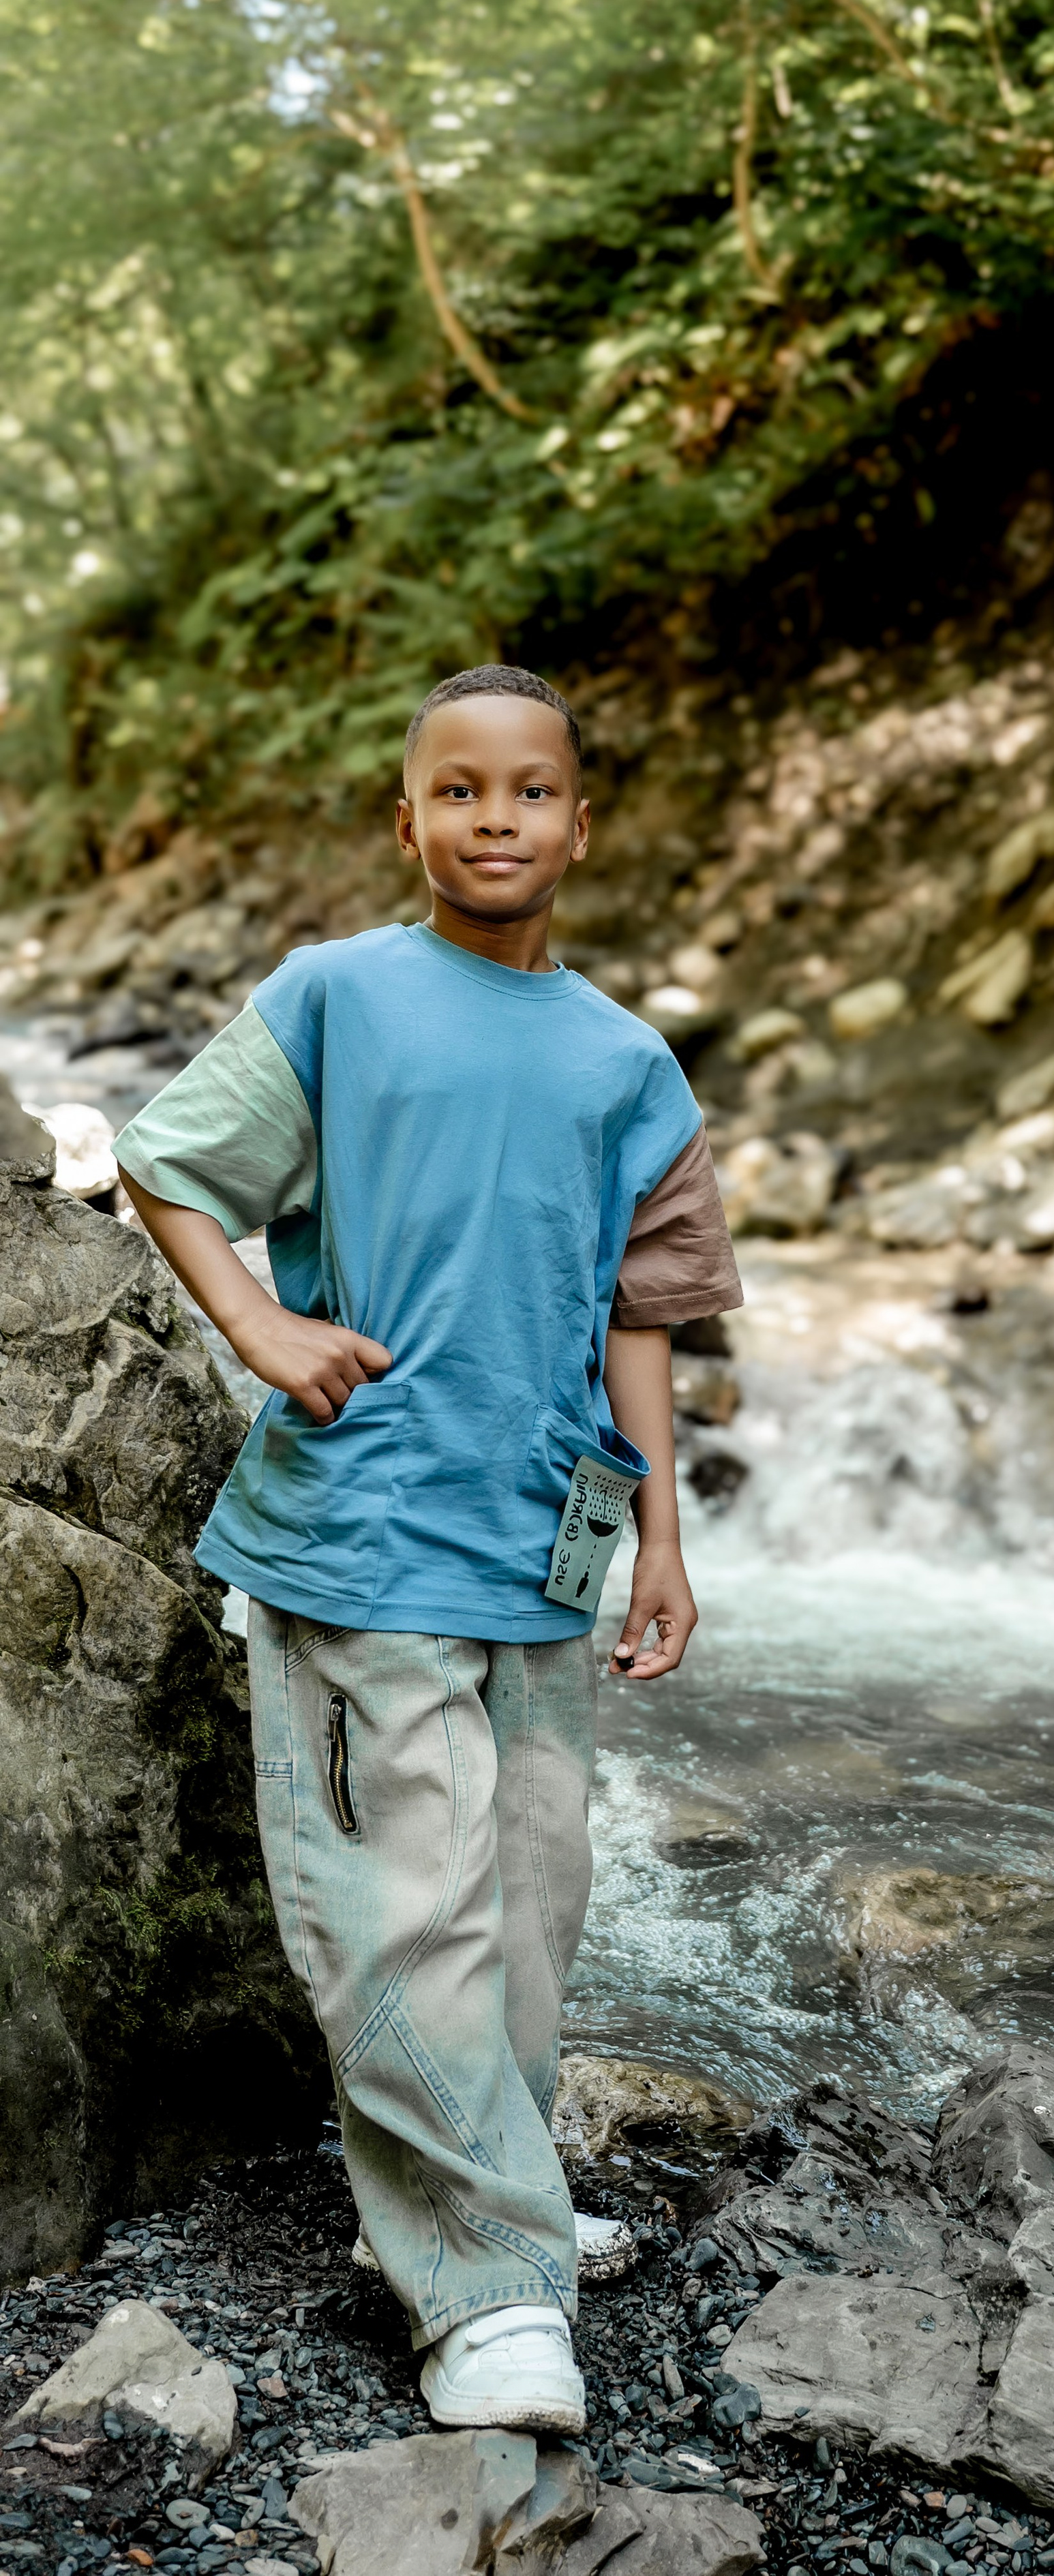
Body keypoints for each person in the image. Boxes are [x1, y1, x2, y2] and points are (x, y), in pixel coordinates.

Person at [113, 663, 741, 2436]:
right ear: (408, 821)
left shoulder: (629, 1062)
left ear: (579, 825)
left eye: (529, 791)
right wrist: (258, 1325)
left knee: (526, 1911)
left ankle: (502, 2191)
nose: (494, 818)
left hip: (543, 1556)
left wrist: (666, 1542)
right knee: (401, 1917)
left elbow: (646, 1316)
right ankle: (484, 2294)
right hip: (358, 1538)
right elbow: (171, 1162)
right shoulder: (338, 998)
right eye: (456, 790)